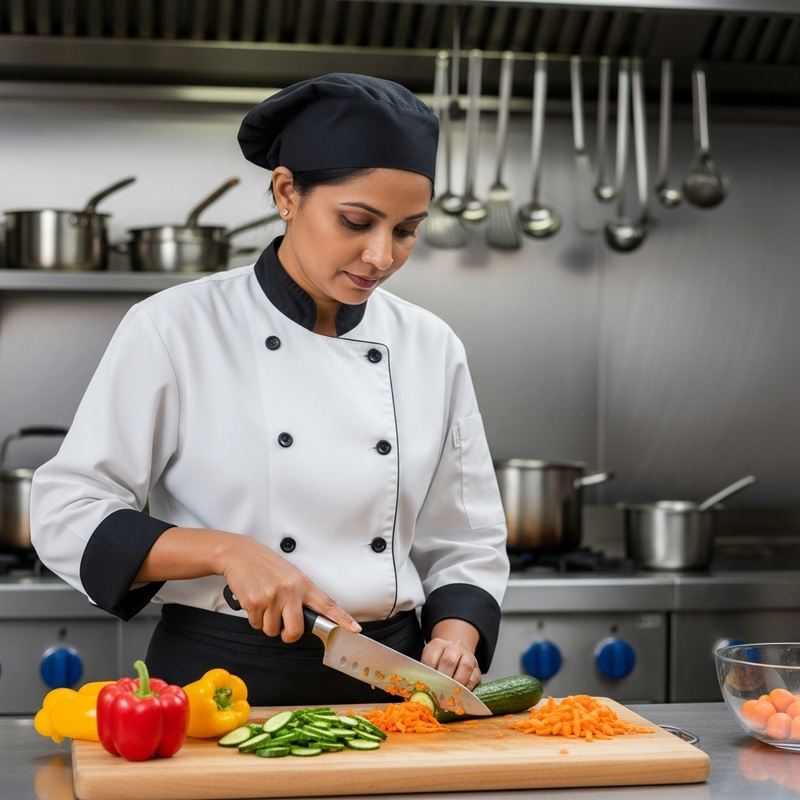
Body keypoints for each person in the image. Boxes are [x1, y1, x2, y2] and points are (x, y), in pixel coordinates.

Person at [30, 73, 510, 706]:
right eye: (357, 221)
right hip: (216, 687)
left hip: (392, 686)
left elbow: (466, 538)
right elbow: (67, 512)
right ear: (287, 191)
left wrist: (456, 636)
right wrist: (226, 552)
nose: (380, 255)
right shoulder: (176, 326)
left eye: (406, 230)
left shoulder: (430, 344)